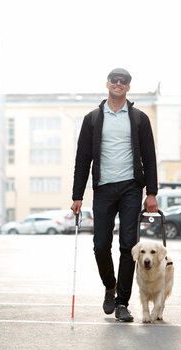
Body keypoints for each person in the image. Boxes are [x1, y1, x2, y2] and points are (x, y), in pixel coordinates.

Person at [71, 68, 159, 322]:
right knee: (100, 245)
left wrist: (151, 192)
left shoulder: (139, 119)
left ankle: (122, 303)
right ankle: (109, 286)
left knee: (128, 246)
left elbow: (150, 158)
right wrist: (77, 195)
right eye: (115, 80)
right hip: (104, 188)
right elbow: (82, 159)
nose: (119, 84)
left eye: (124, 81)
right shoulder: (93, 119)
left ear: (129, 87)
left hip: (131, 187)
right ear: (107, 83)